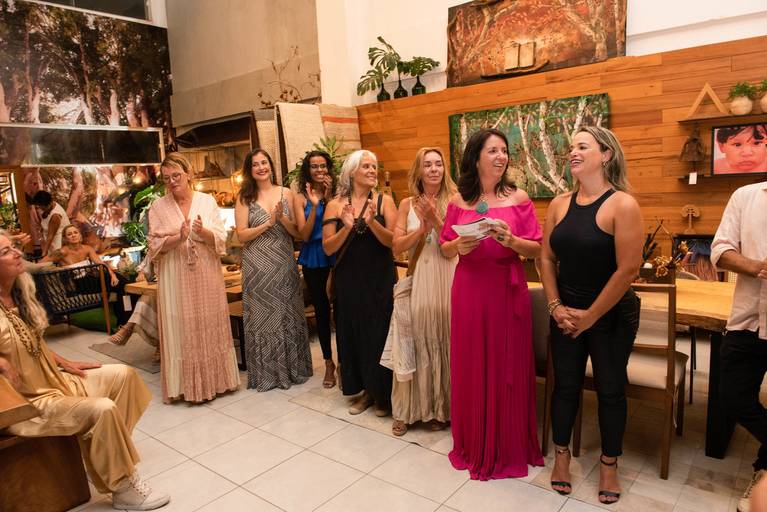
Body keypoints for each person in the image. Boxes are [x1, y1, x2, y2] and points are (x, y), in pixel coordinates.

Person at [0, 231, 170, 510]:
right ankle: (123, 489)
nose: (18, 253)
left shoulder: (20, 292)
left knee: (124, 376)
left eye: (14, 247)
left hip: (54, 380)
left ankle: (101, 455)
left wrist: (62, 361)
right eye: (6, 251)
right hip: (29, 403)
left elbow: (31, 343)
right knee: (102, 409)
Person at [540, 126, 643, 504]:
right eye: (571, 147)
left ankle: (609, 464)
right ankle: (561, 457)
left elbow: (628, 270)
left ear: (606, 154)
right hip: (566, 312)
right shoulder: (558, 204)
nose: (573, 152)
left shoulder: (622, 205)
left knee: (610, 390)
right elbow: (546, 258)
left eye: (582, 146)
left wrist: (591, 316)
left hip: (610, 313)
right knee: (565, 386)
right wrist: (555, 307)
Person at [440, 128, 544, 480]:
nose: (501, 157)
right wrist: (458, 246)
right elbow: (445, 247)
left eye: (504, 151)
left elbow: (537, 248)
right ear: (475, 157)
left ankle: (508, 443)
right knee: (473, 363)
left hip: (506, 289)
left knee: (506, 363)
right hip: (469, 289)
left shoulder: (518, 197)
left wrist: (511, 240)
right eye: (493, 151)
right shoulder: (459, 201)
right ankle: (474, 441)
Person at [147, 152, 240, 403]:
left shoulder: (207, 202)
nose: (172, 181)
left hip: (206, 271)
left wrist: (203, 231)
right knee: (182, 326)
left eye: (176, 175)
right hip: (174, 274)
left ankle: (217, 381)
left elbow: (220, 239)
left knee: (209, 322)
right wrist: (179, 237)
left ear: (188, 174)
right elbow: (154, 245)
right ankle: (186, 386)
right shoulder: (158, 207)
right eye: (167, 178)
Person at [322, 149, 397, 416]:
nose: (372, 171)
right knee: (354, 333)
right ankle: (365, 391)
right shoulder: (335, 205)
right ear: (352, 172)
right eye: (366, 166)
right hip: (349, 280)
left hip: (379, 278)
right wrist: (346, 227)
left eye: (374, 166)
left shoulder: (385, 201)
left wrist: (371, 223)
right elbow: (328, 248)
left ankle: (383, 394)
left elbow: (393, 242)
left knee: (380, 332)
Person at [389, 147, 457, 436]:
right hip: (420, 276)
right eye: (427, 165)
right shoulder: (406, 204)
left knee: (446, 337)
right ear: (419, 170)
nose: (433, 169)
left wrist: (436, 220)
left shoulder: (455, 201)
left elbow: (454, 247)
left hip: (448, 275)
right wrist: (421, 229)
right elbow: (397, 247)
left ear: (444, 169)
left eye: (438, 164)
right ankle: (411, 409)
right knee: (416, 339)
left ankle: (442, 409)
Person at [710, 179, 767, 512]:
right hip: (747, 319)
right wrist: (758, 267)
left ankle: (763, 471)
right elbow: (720, 251)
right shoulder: (746, 196)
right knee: (732, 397)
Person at [235, 148, 312, 391]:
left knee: (287, 313)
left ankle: (293, 369)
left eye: (264, 162)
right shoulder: (244, 197)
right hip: (257, 267)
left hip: (283, 263)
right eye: (255, 164)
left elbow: (298, 233)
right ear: (250, 170)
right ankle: (267, 374)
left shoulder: (286, 193)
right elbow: (241, 236)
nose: (261, 167)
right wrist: (267, 223)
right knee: (263, 318)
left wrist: (281, 219)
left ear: (270, 165)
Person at [293, 150, 337, 388]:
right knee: (321, 310)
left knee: (342, 308)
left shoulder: (338, 194)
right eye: (314, 166)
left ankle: (346, 360)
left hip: (337, 253)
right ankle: (329, 363)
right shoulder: (301, 198)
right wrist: (315, 204)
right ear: (307, 170)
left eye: (323, 166)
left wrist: (328, 199)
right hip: (314, 256)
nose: (320, 170)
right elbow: (305, 235)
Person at [30, 190, 70, 257]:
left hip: (58, 243)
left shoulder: (55, 216)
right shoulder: (49, 207)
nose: (41, 209)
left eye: (42, 207)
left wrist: (44, 251)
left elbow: (50, 236)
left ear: (49, 203)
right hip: (51, 243)